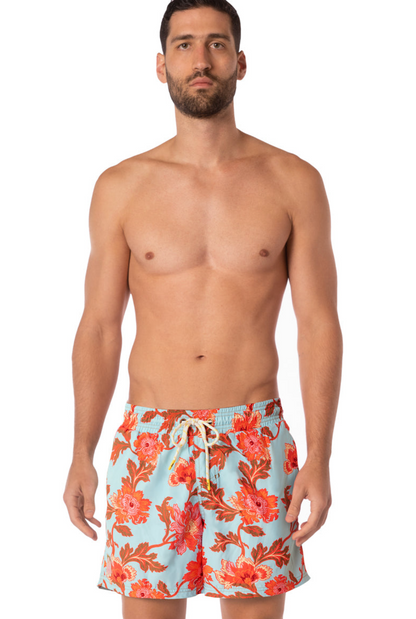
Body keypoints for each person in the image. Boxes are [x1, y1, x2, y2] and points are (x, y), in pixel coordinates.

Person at [63, 1, 343, 618]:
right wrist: (81, 451)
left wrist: (320, 456)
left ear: (240, 63)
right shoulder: (121, 186)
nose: (201, 59)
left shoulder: (293, 181)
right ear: (160, 64)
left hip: (253, 438)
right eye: (184, 44)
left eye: (216, 44)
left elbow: (318, 324)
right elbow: (100, 327)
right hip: (150, 439)